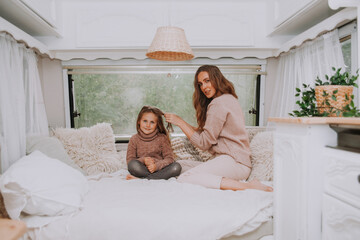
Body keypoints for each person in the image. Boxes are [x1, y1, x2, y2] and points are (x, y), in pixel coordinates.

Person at [165, 65, 272, 192]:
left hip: (235, 162)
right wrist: (182, 122)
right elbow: (205, 133)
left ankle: (248, 186)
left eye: (207, 81)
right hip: (234, 162)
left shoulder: (218, 103)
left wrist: (180, 122)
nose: (204, 87)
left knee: (185, 177)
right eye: (200, 84)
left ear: (216, 79)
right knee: (181, 165)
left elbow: (203, 143)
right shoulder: (228, 98)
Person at [126, 105, 181, 180]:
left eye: (152, 122)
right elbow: (130, 160)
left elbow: (169, 158)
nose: (148, 125)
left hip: (160, 169)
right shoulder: (134, 139)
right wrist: (144, 160)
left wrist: (156, 166)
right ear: (139, 121)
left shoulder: (162, 138)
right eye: (145, 121)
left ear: (157, 124)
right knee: (132, 165)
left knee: (176, 167)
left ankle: (145, 179)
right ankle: (154, 178)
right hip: (142, 169)